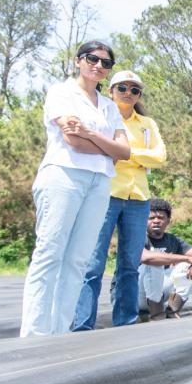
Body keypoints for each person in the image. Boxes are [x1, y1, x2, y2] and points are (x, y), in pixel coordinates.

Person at [20, 39, 130, 339]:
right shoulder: (61, 93)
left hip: (99, 182)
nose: (98, 66)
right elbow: (73, 142)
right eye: (92, 59)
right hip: (64, 175)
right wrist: (106, 146)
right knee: (50, 253)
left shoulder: (109, 106)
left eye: (106, 63)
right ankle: (34, 333)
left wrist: (90, 133)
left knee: (78, 259)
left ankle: (60, 331)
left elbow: (124, 152)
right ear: (78, 60)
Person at [74, 70, 166, 331]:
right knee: (93, 263)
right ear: (110, 91)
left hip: (138, 197)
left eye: (134, 90)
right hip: (106, 192)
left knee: (129, 265)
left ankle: (125, 324)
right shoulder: (102, 116)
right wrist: (137, 156)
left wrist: (122, 152)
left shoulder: (147, 124)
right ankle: (82, 325)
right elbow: (94, 149)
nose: (128, 93)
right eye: (122, 88)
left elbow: (159, 157)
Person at [138, 198, 192, 319]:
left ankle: (172, 310)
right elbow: (146, 258)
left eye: (161, 218)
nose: (156, 221)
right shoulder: (138, 237)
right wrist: (187, 259)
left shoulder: (172, 240)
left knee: (187, 266)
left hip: (160, 294)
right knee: (154, 263)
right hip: (135, 295)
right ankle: (157, 314)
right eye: (151, 218)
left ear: (168, 221)